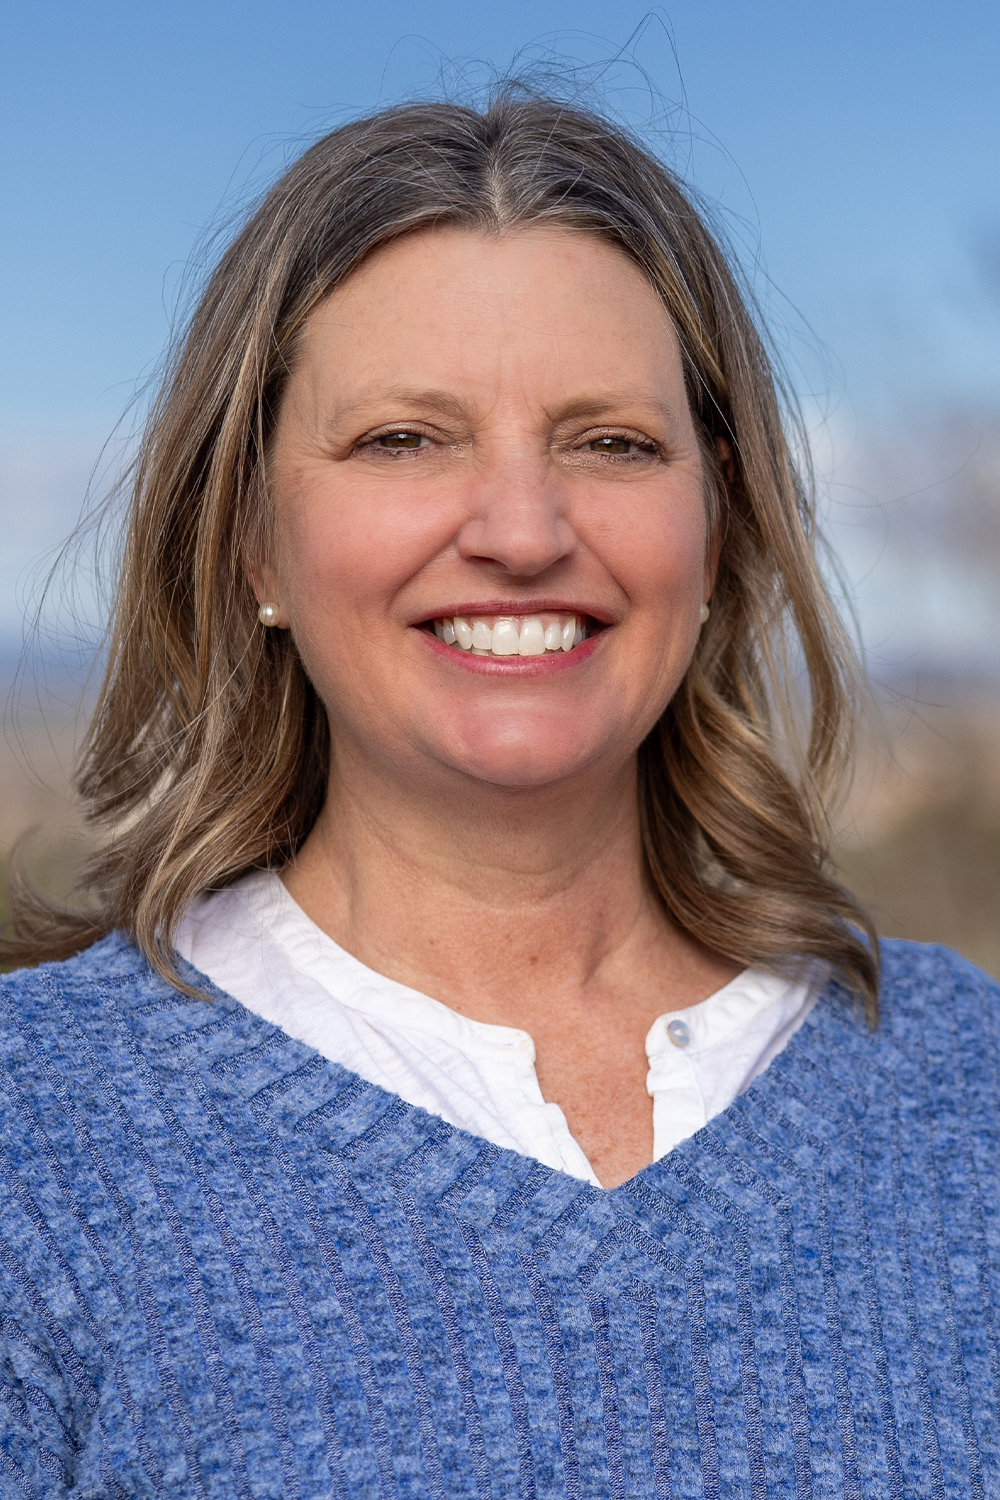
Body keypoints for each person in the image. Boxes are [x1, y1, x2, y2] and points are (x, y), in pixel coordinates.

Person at [1, 91, 997, 1498]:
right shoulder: (35, 1137)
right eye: (406, 438)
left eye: (612, 443)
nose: (524, 531)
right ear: (251, 541)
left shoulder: (970, 1093)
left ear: (716, 525)